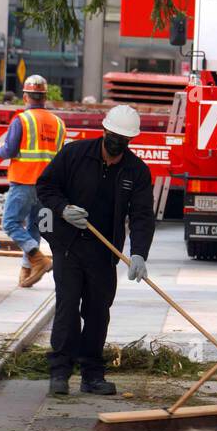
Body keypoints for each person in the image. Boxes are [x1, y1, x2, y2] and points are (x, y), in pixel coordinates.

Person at [35, 104, 154, 396]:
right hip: (68, 246)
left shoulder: (135, 171)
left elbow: (142, 215)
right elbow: (46, 186)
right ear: (104, 131)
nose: (117, 145)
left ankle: (92, 374)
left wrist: (138, 253)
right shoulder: (75, 155)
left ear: (130, 142)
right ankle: (60, 371)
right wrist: (63, 210)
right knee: (67, 306)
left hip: (104, 251)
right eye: (114, 137)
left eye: (124, 141)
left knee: (98, 311)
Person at [0, 74, 63, 288]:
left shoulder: (22, 120)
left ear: (25, 97)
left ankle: (38, 258)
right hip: (48, 186)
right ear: (44, 97)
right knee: (35, 226)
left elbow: (10, 150)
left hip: (25, 180)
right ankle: (28, 269)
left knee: (10, 223)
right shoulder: (58, 123)